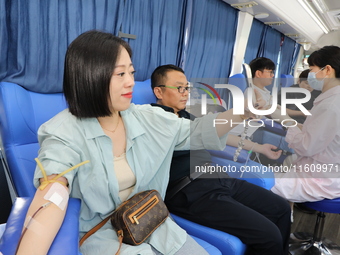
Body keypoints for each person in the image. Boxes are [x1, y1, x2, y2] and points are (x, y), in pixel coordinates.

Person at [16, 31, 253, 255]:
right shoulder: (63, 132)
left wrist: (241, 113)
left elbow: (199, 131)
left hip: (152, 221)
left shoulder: (147, 118)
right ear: (91, 77)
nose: (131, 81)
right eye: (120, 74)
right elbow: (52, 195)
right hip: (103, 236)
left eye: (131, 72)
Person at [150, 64, 291, 255]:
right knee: (269, 235)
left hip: (217, 177)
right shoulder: (152, 118)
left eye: (187, 88)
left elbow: (216, 133)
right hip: (189, 191)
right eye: (179, 88)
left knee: (281, 208)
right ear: (158, 91)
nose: (185, 93)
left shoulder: (185, 115)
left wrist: (259, 148)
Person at [271, 45, 340, 203]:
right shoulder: (330, 99)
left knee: (261, 183)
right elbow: (315, 131)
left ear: (327, 70)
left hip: (321, 178)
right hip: (324, 168)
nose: (310, 74)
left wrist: (286, 121)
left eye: (312, 68)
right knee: (286, 164)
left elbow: (307, 146)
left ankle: (282, 219)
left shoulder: (331, 105)